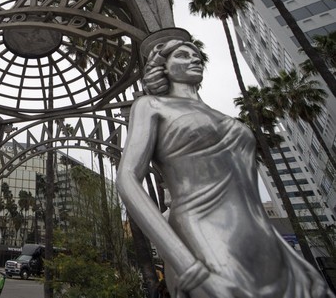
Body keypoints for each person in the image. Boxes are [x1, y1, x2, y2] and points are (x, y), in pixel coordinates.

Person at [117, 28, 334, 298]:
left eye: (196, 55)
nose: (195, 59)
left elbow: (250, 196)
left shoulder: (224, 117)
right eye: (183, 55)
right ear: (164, 67)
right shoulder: (151, 106)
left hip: (262, 237)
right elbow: (127, 179)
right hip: (202, 232)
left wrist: (292, 255)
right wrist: (186, 266)